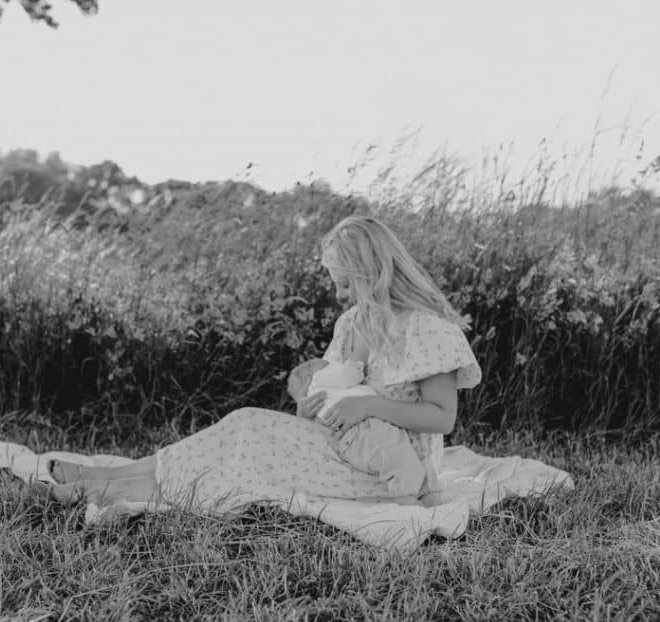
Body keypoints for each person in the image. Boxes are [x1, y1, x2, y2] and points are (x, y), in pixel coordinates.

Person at [48, 215, 481, 515]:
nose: (341, 295)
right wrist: (313, 404)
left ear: (371, 274)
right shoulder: (352, 323)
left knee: (248, 450)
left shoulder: (428, 329)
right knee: (244, 424)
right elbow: (333, 389)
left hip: (395, 470)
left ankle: (106, 488)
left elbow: (442, 418)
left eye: (345, 284)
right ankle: (108, 476)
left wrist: (367, 408)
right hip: (342, 445)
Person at [287, 356, 425, 490]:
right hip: (363, 429)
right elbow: (350, 376)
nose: (327, 364)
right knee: (400, 464)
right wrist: (355, 366)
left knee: (400, 462)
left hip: (352, 437)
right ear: (309, 377)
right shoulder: (319, 378)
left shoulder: (319, 400)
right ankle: (407, 500)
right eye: (316, 363)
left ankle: (414, 493)